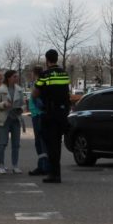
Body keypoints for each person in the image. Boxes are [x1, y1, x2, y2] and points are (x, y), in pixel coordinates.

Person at [35, 49, 71, 184]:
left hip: (49, 113)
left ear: (47, 60)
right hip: (62, 113)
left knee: (50, 144)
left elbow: (35, 93)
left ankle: (53, 174)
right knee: (57, 143)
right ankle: (57, 173)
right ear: (57, 59)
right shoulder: (64, 74)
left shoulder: (45, 75)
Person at [0, 69, 26, 173]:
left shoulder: (19, 89)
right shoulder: (0, 89)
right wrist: (3, 104)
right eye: (15, 76)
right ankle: (1, 165)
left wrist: (22, 109)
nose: (17, 78)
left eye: (17, 76)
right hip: (4, 118)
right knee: (2, 143)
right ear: (9, 78)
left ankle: (15, 165)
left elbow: (24, 103)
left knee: (16, 144)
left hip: (16, 118)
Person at [27, 66, 49, 176]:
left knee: (40, 142)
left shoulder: (38, 83)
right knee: (42, 141)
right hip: (37, 114)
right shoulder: (43, 82)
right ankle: (44, 165)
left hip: (38, 114)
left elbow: (36, 98)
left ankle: (43, 166)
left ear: (34, 73)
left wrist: (38, 109)